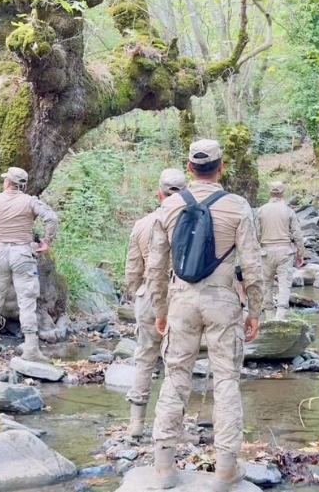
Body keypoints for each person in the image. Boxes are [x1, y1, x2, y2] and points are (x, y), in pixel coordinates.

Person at [146, 139, 263, 490]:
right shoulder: (238, 206)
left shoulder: (168, 207)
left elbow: (156, 266)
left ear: (189, 168)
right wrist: (255, 309)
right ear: (221, 167)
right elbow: (253, 265)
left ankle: (164, 467)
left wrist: (159, 309)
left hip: (181, 300)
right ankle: (226, 469)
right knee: (226, 380)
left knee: (176, 375)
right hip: (223, 301)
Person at [0, 167, 59, 363]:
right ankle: (31, 349)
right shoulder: (31, 201)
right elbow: (52, 218)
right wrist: (46, 241)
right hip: (23, 254)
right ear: (22, 185)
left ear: (7, 182)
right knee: (26, 302)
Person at [123, 168, 187, 439]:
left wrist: (137, 291)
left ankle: (136, 423)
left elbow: (132, 270)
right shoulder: (193, 221)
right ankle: (173, 427)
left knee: (145, 356)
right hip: (182, 294)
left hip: (149, 295)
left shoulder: (142, 224)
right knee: (179, 360)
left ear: (159, 193)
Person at [255, 181, 305, 320]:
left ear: (270, 193)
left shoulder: (261, 210)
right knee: (284, 284)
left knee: (266, 284)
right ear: (283, 194)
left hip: (265, 251)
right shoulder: (288, 211)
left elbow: (256, 234)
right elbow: (297, 234)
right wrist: (301, 254)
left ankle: (269, 316)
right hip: (285, 252)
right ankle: (280, 317)